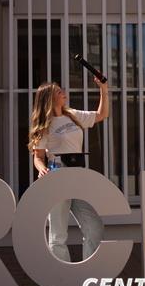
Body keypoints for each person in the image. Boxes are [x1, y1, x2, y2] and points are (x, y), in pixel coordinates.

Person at [27, 77, 109, 262]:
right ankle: (62, 275)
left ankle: (89, 270)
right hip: (57, 180)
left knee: (94, 227)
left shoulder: (72, 115)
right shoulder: (44, 125)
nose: (63, 92)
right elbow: (38, 157)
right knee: (58, 235)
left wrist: (103, 89)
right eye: (58, 91)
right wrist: (42, 169)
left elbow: (101, 114)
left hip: (78, 178)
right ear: (49, 98)